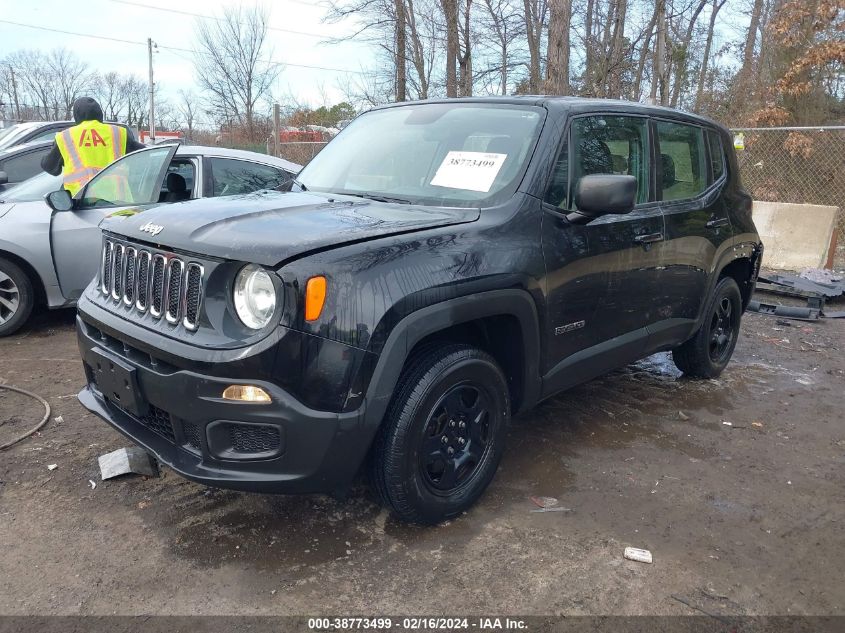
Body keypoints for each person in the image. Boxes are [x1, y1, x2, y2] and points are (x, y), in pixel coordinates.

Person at [41, 97, 144, 196]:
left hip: (81, 203)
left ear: (77, 115)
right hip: (118, 201)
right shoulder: (117, 132)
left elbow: (50, 167)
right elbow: (143, 155)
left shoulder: (65, 137)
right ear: (100, 114)